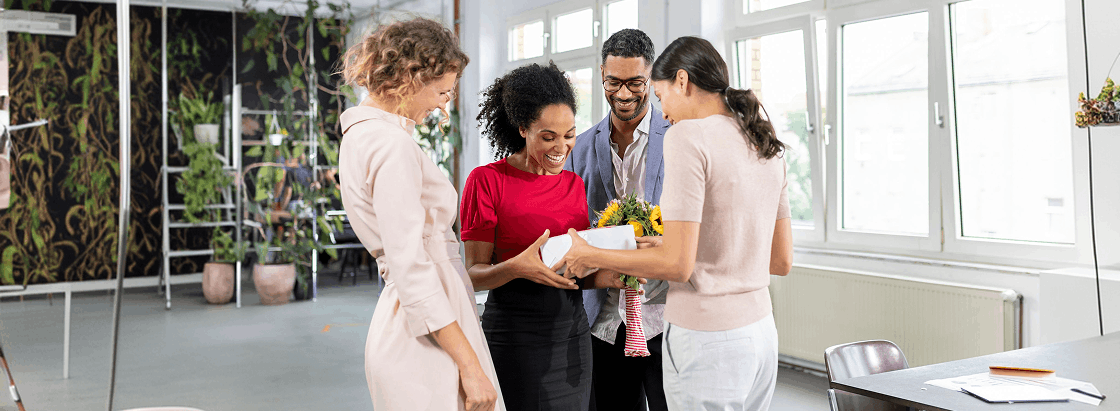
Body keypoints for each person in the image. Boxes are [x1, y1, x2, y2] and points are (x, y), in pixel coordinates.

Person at [554, 36, 794, 411]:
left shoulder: (687, 135)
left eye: (660, 95)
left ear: (681, 81)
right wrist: (673, 248)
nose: (664, 113)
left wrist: (590, 253)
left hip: (705, 336)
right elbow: (780, 260)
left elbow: (677, 265)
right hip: (760, 333)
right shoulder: (764, 140)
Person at [337, 17, 502, 411]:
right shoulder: (390, 145)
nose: (444, 104)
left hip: (421, 322)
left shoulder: (364, 136)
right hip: (428, 337)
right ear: (411, 77)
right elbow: (411, 267)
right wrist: (470, 366)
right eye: (442, 91)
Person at [461, 62, 638, 411]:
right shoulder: (487, 181)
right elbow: (472, 275)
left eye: (569, 134)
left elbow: (575, 273)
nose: (562, 146)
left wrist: (611, 277)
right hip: (515, 339)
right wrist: (517, 267)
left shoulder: (573, 185)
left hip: (572, 337)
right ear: (523, 129)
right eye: (548, 137)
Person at [563, 28, 671, 411]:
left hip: (665, 317)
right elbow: (572, 230)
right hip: (605, 321)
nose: (623, 94)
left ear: (652, 77)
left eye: (635, 83)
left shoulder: (679, 139)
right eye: (613, 82)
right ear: (601, 76)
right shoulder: (579, 148)